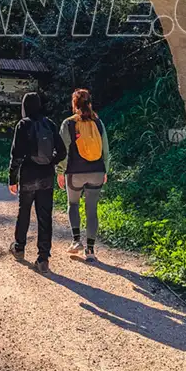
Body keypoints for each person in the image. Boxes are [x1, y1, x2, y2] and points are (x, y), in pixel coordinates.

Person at [8, 91, 65, 273]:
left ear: (24, 106)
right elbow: (62, 152)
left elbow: (16, 154)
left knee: (24, 211)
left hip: (28, 175)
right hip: (46, 176)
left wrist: (12, 178)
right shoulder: (50, 124)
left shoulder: (23, 125)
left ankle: (19, 247)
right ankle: (43, 259)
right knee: (45, 216)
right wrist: (50, 161)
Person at [57, 88, 109, 262]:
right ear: (89, 102)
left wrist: (60, 171)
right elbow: (106, 150)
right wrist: (105, 170)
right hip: (97, 171)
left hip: (75, 173)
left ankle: (76, 241)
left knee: (73, 203)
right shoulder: (98, 123)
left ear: (74, 104)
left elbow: (62, 151)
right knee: (92, 209)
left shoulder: (68, 123)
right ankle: (91, 250)